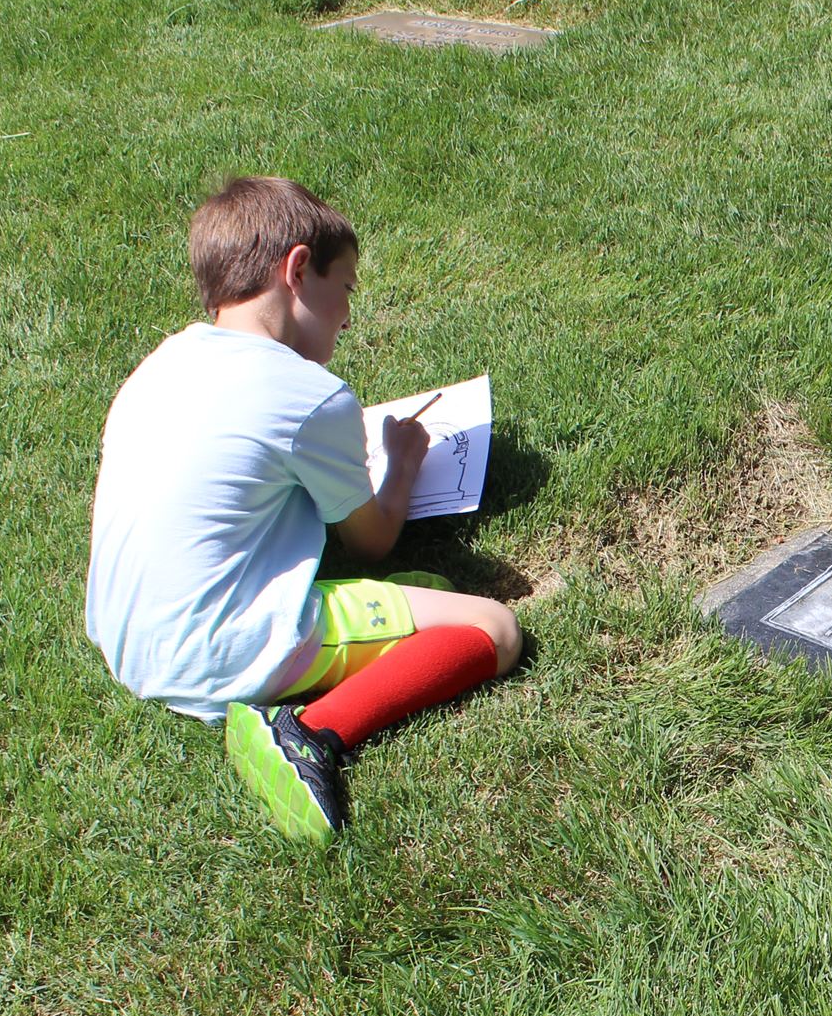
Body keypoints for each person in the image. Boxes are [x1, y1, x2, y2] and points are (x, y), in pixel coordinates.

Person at [85, 176, 521, 844]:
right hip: (218, 648)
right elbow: (372, 539)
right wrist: (399, 464)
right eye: (344, 288)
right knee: (491, 629)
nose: (347, 316)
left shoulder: (160, 363)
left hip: (127, 638)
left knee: (426, 593)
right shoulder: (309, 396)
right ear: (296, 270)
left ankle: (342, 666)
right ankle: (306, 733)